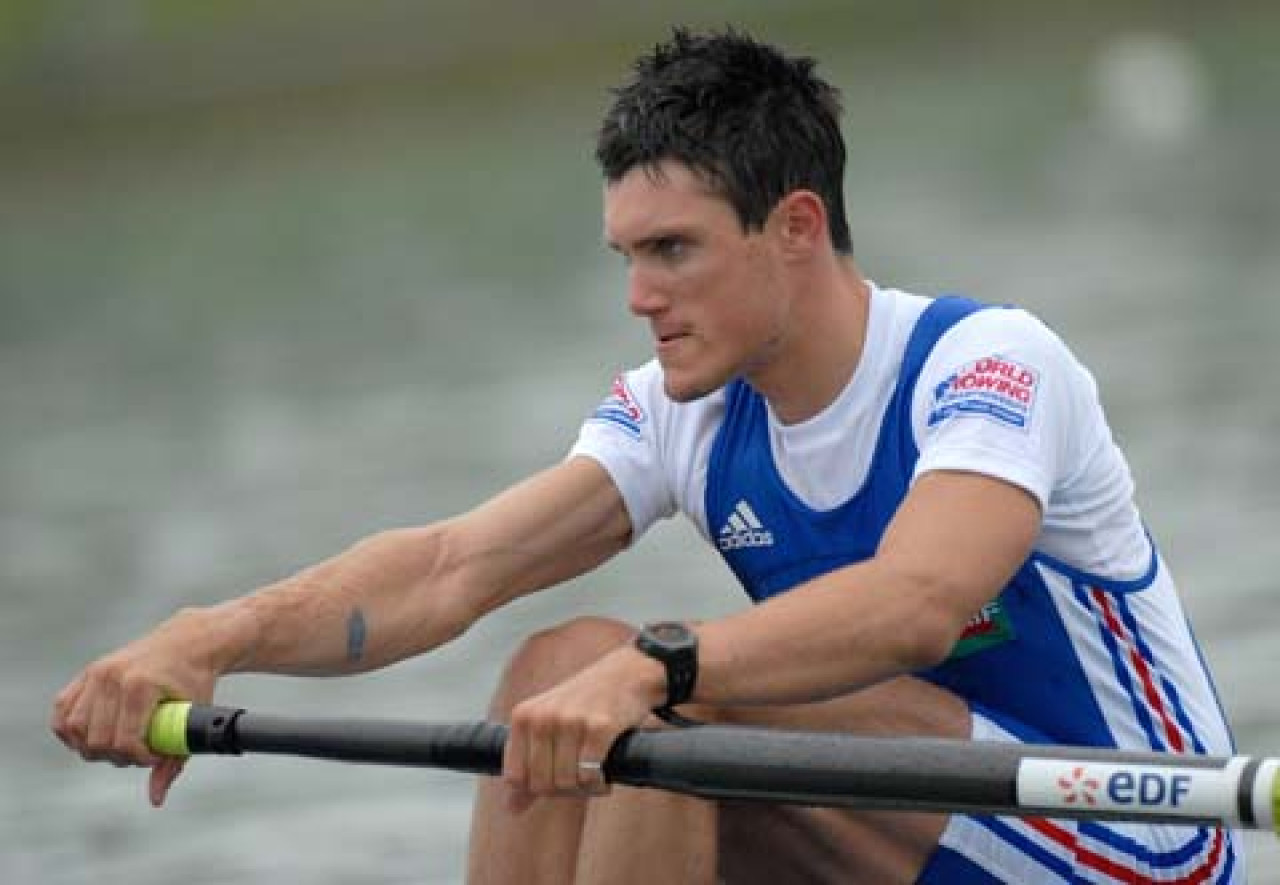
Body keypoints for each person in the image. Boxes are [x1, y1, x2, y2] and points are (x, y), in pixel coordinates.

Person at [51, 27, 1242, 884]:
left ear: (794, 229)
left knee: (644, 704)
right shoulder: (686, 407)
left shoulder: (984, 364)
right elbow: (448, 568)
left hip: (1130, 840)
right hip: (913, 840)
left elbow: (917, 604)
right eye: (626, 253)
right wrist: (210, 636)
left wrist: (661, 668)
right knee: (553, 667)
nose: (638, 296)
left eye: (671, 250)